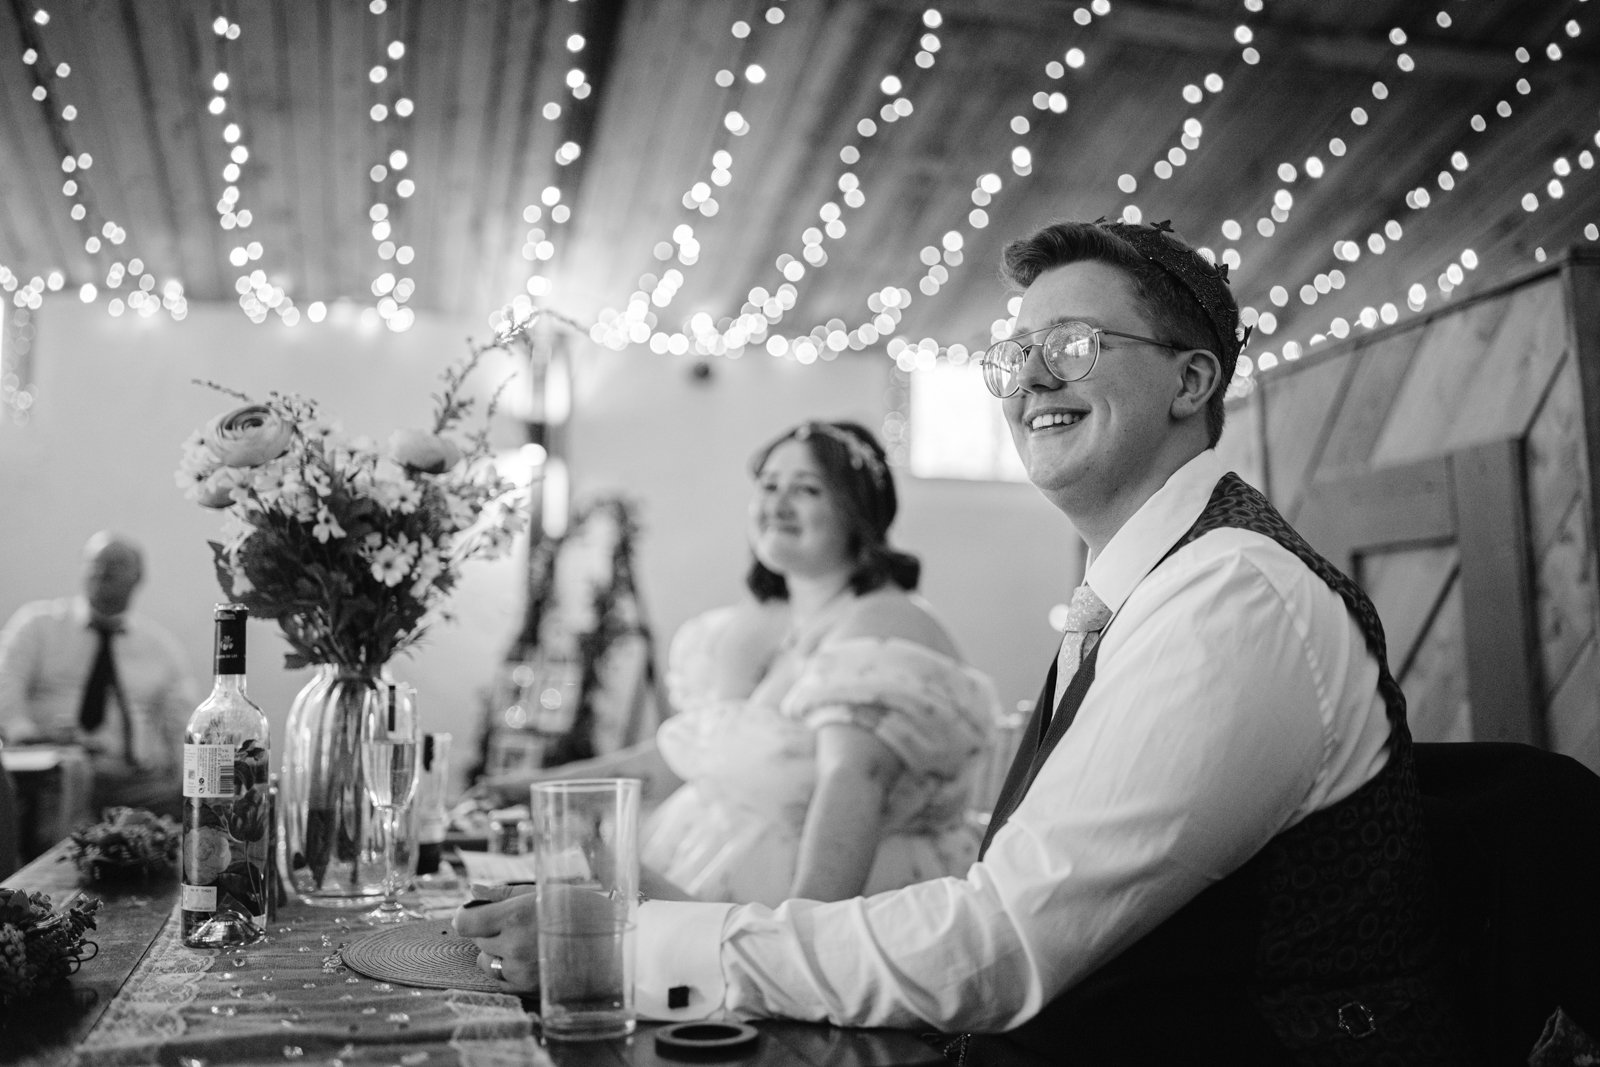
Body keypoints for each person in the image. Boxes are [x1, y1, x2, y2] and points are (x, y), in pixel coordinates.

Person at [458, 220, 1472, 1063]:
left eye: (1070, 342)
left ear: (1190, 380)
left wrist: (629, 939)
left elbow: (995, 943)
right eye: (1013, 352)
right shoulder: (1149, 584)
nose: (1027, 376)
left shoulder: (1232, 596)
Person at [473, 420, 1000, 905]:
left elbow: (854, 781)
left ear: (858, 512)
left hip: (840, 899)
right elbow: (687, 755)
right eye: (769, 486)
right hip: (702, 872)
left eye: (807, 489)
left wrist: (792, 944)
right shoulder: (759, 624)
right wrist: (540, 789)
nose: (779, 503)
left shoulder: (884, 623)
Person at [0, 531, 195, 841]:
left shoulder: (160, 648)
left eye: (116, 564)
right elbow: (6, 691)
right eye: (95, 562)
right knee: (65, 787)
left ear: (138, 578)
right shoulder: (37, 626)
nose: (103, 571)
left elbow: (182, 724)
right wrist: (30, 739)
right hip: (54, 773)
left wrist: (185, 776)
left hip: (133, 779)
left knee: (196, 812)